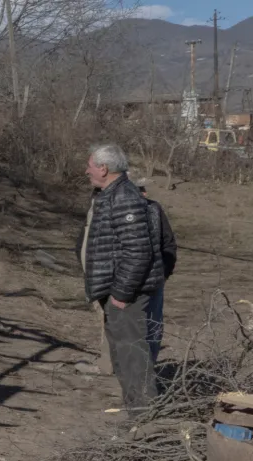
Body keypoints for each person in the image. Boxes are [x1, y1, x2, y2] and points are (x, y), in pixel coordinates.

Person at [77, 144, 164, 409]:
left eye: (90, 166)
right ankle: (136, 415)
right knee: (125, 360)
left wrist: (121, 294)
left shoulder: (124, 197)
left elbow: (138, 251)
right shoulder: (108, 195)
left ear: (103, 169)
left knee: (133, 360)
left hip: (127, 296)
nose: (86, 171)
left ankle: (144, 421)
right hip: (114, 292)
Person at [139, 186, 177, 364]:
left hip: (154, 280)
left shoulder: (154, 209)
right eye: (139, 189)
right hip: (120, 282)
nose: (144, 193)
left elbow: (168, 243)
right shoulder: (109, 208)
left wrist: (164, 273)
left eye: (145, 189)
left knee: (153, 325)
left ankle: (149, 368)